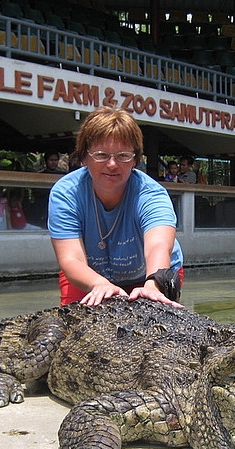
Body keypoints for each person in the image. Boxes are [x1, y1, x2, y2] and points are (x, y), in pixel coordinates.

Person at [47, 106, 184, 307]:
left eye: (123, 156)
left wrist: (154, 285)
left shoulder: (152, 194)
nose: (112, 164)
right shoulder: (66, 193)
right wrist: (100, 284)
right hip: (89, 274)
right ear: (84, 157)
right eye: (101, 155)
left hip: (152, 274)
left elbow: (159, 246)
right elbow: (71, 259)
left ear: (135, 160)